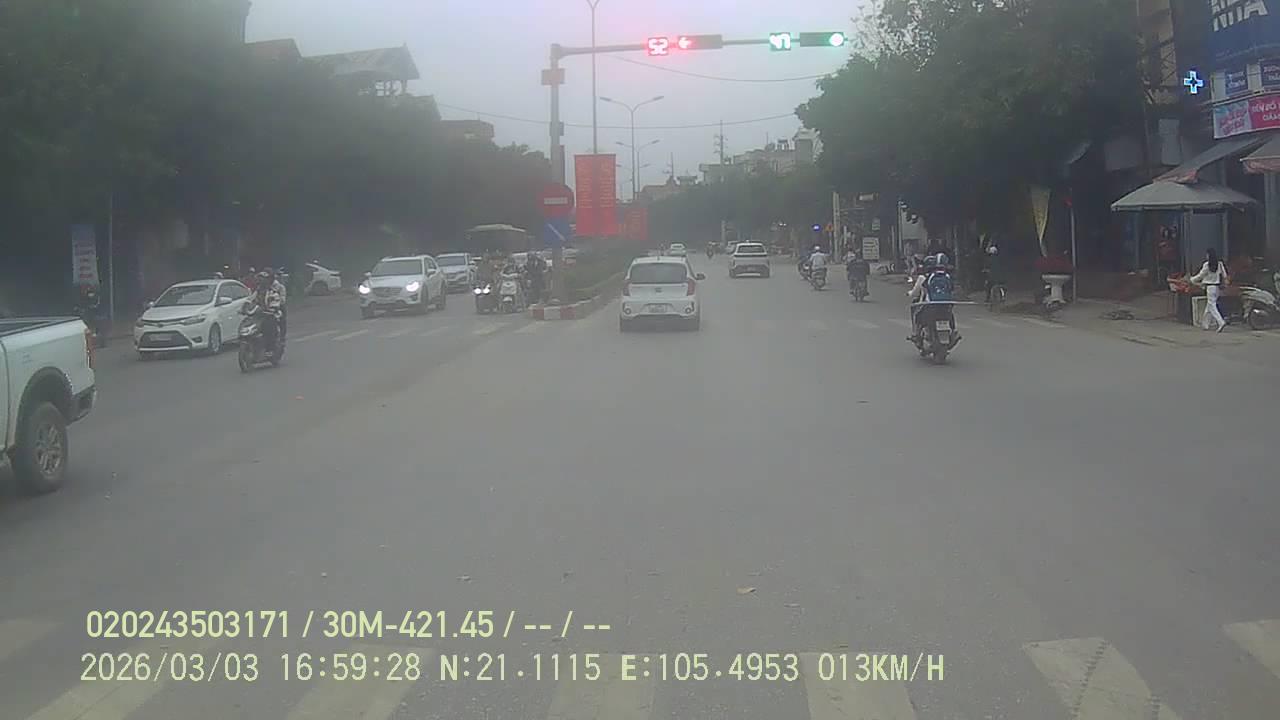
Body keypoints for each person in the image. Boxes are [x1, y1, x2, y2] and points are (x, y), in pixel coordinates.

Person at [1188, 248, 1230, 332]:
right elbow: (1224, 275)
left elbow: (1200, 275)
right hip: (1217, 288)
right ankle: (1205, 324)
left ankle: (1221, 322)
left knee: (1212, 306)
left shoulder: (1207, 265)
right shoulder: (1220, 264)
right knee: (1209, 305)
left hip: (1210, 288)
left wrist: (1191, 279)